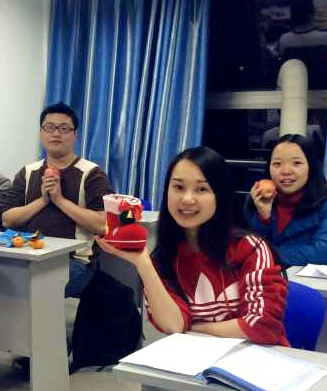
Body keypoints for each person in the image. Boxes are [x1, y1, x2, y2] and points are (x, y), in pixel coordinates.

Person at [96, 147, 289, 346]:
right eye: (178, 187)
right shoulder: (164, 258)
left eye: (201, 189)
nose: (187, 199)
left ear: (220, 195)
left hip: (257, 358)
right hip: (197, 359)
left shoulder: (250, 249)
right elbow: (173, 325)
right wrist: (144, 264)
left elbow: (264, 324)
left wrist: (196, 328)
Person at [1, 102, 111, 298]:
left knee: (34, 292)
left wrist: (59, 200)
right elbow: (7, 219)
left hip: (74, 261)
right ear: (41, 132)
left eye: (63, 129)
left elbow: (103, 225)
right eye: (50, 127)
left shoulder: (91, 173)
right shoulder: (28, 172)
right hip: (29, 254)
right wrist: (43, 201)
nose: (56, 134)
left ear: (75, 135)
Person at [246, 133, 327, 268]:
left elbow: (323, 252)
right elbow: (244, 247)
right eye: (277, 163)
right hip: (258, 278)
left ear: (310, 167)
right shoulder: (255, 199)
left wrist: (266, 254)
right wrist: (263, 218)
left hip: (299, 279)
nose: (286, 171)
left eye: (296, 163)